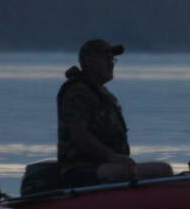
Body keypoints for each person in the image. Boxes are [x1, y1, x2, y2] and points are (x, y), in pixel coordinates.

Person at [57, 39, 174, 187]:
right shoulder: (77, 91)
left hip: (104, 164)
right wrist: (112, 157)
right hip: (80, 168)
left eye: (112, 59)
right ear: (88, 61)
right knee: (133, 172)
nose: (111, 63)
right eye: (105, 58)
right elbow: (79, 135)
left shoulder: (99, 92)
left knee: (162, 169)